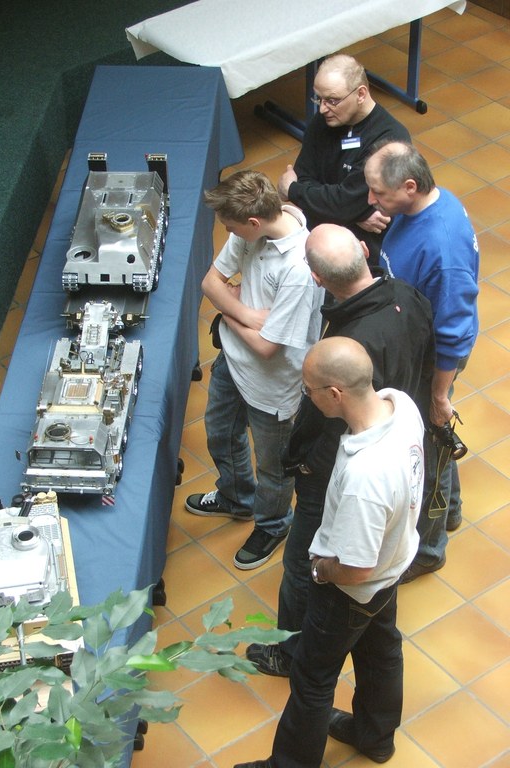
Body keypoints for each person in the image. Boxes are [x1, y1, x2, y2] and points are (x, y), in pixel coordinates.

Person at [246, 223, 434, 676]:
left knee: (301, 560)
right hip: (398, 439)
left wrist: (307, 467)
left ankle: (289, 652)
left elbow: (332, 423)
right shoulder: (409, 297)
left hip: (338, 466)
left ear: (316, 278)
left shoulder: (351, 343)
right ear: (364, 251)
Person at [235, 337, 425, 768]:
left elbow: (356, 570)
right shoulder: (399, 405)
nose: (306, 396)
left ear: (335, 393)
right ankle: (375, 737)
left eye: (309, 390)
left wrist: (320, 571)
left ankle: (290, 764)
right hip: (394, 565)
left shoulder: (365, 477)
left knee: (313, 677)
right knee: (381, 654)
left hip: (350, 591)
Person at [185, 170, 323, 570]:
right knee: (220, 433)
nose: (227, 233)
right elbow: (210, 283)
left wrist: (227, 312)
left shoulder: (298, 270)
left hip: (273, 385)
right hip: (233, 361)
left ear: (254, 222)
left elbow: (267, 347)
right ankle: (237, 498)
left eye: (230, 228)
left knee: (273, 467)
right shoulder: (252, 229)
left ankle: (274, 523)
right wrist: (246, 314)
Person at [365, 140, 479, 582]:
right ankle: (451, 509)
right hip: (418, 348)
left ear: (409, 186)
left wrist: (438, 395)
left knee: (426, 450)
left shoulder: (443, 249)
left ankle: (429, 549)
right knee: (436, 438)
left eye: (378, 192)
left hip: (433, 363)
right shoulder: (424, 205)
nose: (371, 199)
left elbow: (453, 332)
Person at [276, 54, 410, 263]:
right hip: (318, 237)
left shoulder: (390, 140)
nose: (322, 108)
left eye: (332, 101)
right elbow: (306, 178)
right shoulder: (323, 121)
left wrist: (292, 190)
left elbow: (344, 202)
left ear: (361, 94)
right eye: (318, 99)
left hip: (362, 251)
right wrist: (355, 214)